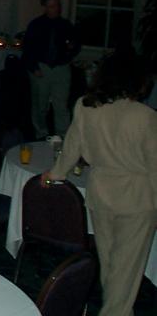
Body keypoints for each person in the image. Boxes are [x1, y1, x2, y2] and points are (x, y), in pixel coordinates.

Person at [43, 53, 156, 316]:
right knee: (125, 271)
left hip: (100, 192)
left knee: (111, 268)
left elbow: (71, 148)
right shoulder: (145, 116)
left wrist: (54, 174)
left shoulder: (86, 106)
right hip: (136, 198)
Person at [22, 0, 80, 138]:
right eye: (51, 6)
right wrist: (33, 67)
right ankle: (41, 133)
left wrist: (70, 50)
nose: (55, 9)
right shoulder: (36, 25)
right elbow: (27, 48)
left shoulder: (66, 25)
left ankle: (63, 136)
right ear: (45, 7)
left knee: (61, 106)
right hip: (42, 67)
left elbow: (75, 45)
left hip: (61, 68)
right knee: (40, 106)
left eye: (57, 5)